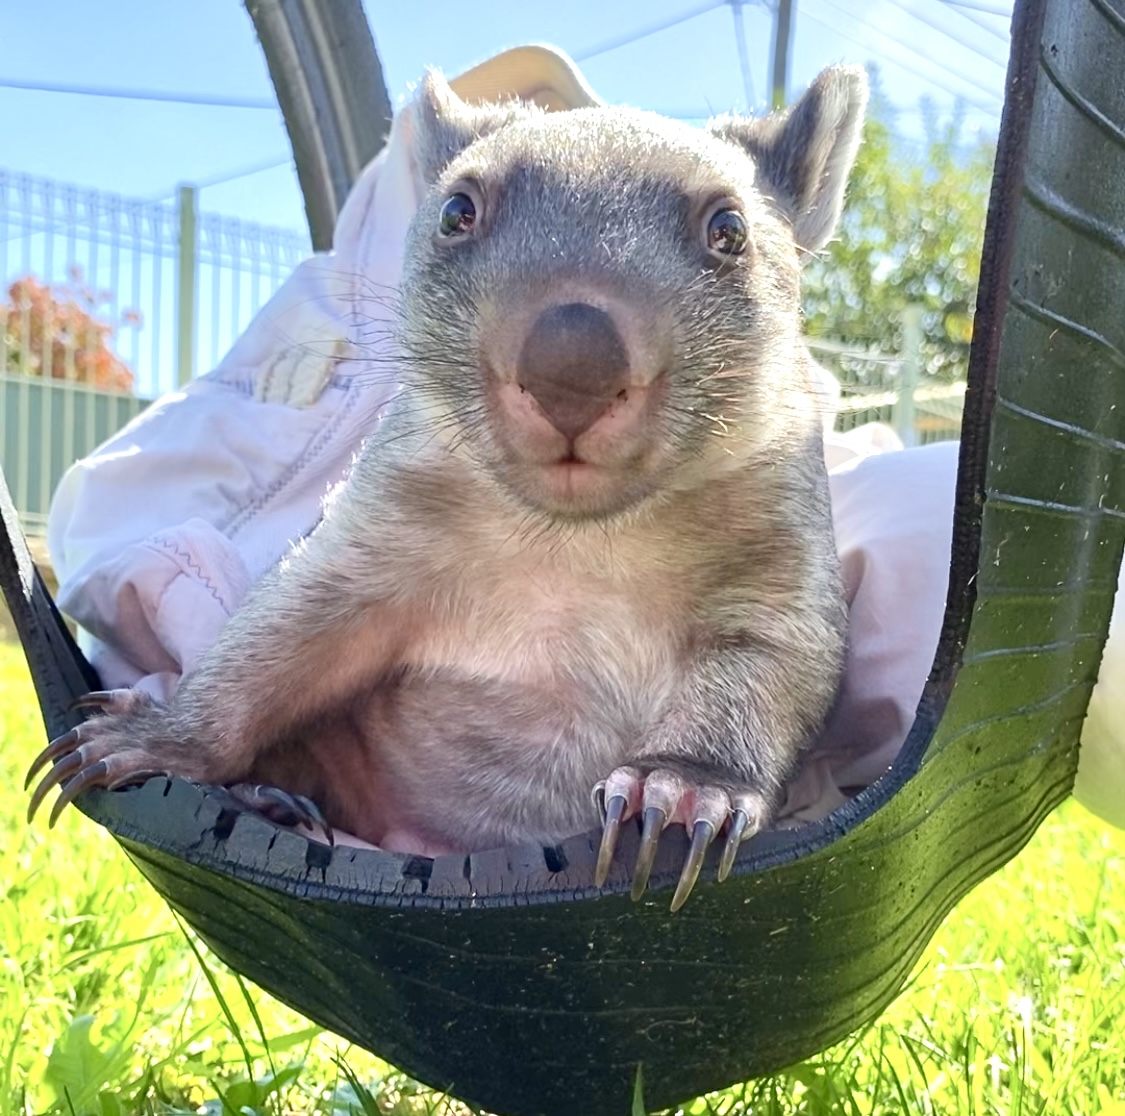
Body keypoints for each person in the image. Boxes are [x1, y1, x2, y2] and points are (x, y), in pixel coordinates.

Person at [45, 45, 1124, 835]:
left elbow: (775, 638)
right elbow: (328, 602)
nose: (568, 366)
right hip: (373, 807)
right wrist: (198, 731)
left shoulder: (769, 456)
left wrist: (710, 761)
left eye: (720, 236)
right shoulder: (426, 445)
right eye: (466, 216)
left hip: (648, 894)